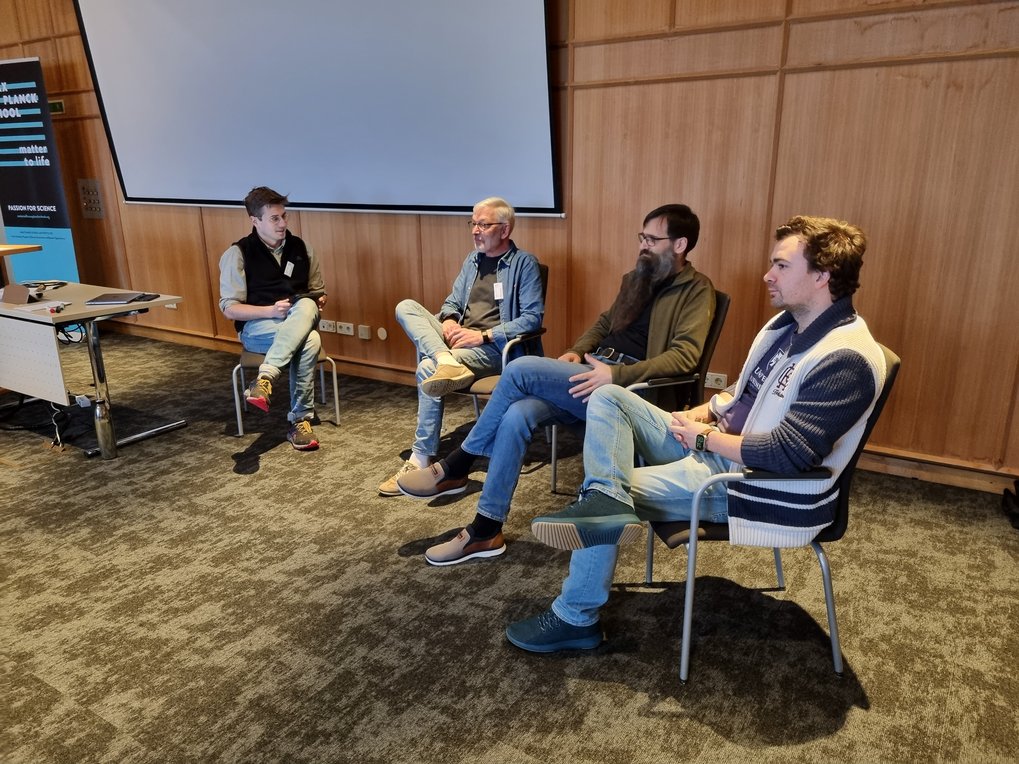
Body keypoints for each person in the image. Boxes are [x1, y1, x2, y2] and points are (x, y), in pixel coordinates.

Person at [505, 215, 888, 653]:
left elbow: (786, 456)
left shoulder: (846, 359)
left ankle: (576, 616)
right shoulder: (786, 326)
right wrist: (698, 415)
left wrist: (702, 440)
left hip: (755, 486)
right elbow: (741, 396)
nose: (768, 275)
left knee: (607, 489)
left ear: (822, 276)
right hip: (720, 450)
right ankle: (605, 500)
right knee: (609, 397)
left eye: (782, 266)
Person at [398, 204, 716, 566]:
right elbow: (604, 324)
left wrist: (615, 376)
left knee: (519, 370)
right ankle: (486, 529)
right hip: (595, 373)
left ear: (680, 245)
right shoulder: (636, 278)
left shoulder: (697, 290)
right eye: (641, 237)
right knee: (517, 414)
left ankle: (458, 465)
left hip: (631, 391)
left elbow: (685, 358)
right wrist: (577, 350)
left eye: (652, 239)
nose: (643, 245)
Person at [378, 197, 545, 495]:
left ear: (504, 229)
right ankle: (446, 359)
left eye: (483, 224)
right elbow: (452, 302)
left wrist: (482, 336)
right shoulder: (472, 260)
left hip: (495, 350)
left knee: (427, 367)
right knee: (407, 306)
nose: (475, 230)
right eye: (473, 223)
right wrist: (451, 320)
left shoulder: (524, 264)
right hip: (457, 344)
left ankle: (420, 458)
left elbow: (532, 319)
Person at [219, 186, 327, 451]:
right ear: (255, 221)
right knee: (310, 340)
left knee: (306, 305)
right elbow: (229, 308)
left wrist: (318, 300)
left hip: (298, 317)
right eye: (274, 218)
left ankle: (265, 378)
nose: (283, 223)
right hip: (257, 327)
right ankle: (300, 420)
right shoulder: (238, 254)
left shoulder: (303, 248)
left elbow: (318, 294)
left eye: (284, 216)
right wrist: (269, 311)